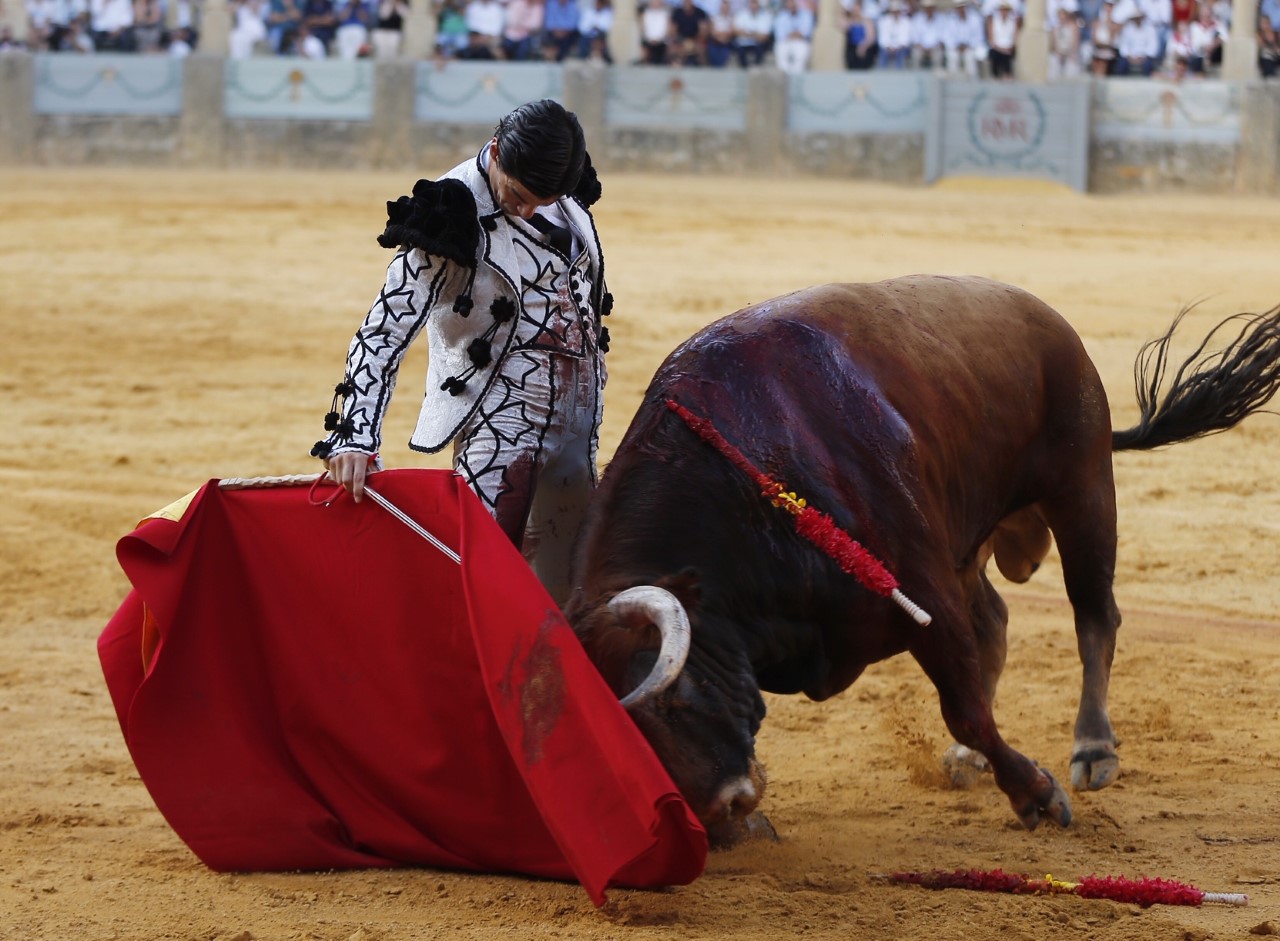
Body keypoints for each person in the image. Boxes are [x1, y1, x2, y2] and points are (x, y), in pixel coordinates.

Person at [314, 100, 613, 606]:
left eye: (543, 201)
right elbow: (386, 326)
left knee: (570, 593)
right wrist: (354, 433)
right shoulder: (452, 212)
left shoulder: (560, 187)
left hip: (578, 420)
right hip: (500, 420)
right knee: (477, 585)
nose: (527, 211)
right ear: (495, 152)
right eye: (517, 195)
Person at [731, 0, 772, 67]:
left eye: (755, 3)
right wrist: (754, 34)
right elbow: (736, 31)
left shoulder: (765, 16)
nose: (753, 5)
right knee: (739, 48)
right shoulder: (741, 14)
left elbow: (765, 36)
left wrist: (748, 34)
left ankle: (756, 67)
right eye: (752, 3)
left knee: (761, 48)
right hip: (743, 43)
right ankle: (743, 68)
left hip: (758, 43)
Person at [987, 0, 1019, 77]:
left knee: (1007, 57)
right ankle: (996, 75)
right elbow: (991, 40)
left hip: (1008, 49)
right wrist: (1001, 49)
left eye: (1005, 10)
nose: (1004, 12)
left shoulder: (1012, 22)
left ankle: (1007, 74)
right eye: (1002, 10)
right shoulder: (993, 22)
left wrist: (1010, 47)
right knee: (995, 54)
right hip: (997, 48)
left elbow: (1015, 38)